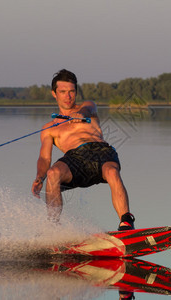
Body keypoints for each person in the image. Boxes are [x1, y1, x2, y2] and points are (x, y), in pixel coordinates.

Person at [31, 69, 135, 231]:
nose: (68, 96)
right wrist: (39, 177)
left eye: (72, 91)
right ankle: (52, 229)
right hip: (76, 160)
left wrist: (79, 114)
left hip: (100, 151)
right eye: (63, 92)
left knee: (112, 172)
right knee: (53, 174)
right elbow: (44, 158)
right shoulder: (49, 128)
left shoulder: (87, 107)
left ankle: (126, 221)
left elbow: (88, 109)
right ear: (54, 94)